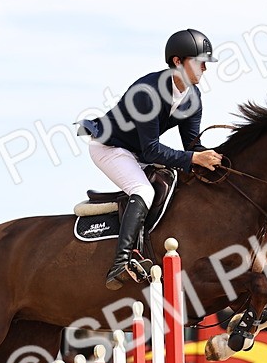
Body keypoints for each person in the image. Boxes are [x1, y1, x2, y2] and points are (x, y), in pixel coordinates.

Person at [78, 28, 225, 289]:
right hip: (110, 147)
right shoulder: (148, 92)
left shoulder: (194, 98)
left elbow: (192, 146)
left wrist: (213, 159)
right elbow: (151, 151)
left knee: (178, 182)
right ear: (177, 62)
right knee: (143, 190)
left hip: (137, 151)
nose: (205, 68)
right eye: (199, 61)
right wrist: (193, 158)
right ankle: (120, 263)